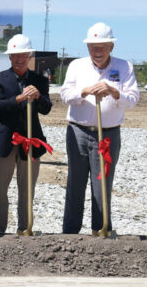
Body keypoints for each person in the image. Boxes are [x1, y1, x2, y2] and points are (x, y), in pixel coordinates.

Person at [59, 22, 140, 234]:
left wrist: (113, 91)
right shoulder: (77, 66)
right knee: (75, 183)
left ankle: (101, 231)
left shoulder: (124, 67)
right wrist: (83, 92)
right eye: (93, 46)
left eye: (102, 46)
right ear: (87, 48)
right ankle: (70, 232)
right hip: (78, 131)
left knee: (102, 184)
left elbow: (132, 100)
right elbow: (65, 95)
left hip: (108, 135)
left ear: (111, 46)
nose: (97, 51)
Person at [0, 34, 52, 234]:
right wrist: (19, 98)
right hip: (5, 141)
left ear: (29, 56)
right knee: (0, 189)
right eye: (15, 56)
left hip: (31, 141)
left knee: (27, 190)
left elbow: (46, 109)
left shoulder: (39, 80)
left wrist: (38, 96)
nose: (19, 59)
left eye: (23, 55)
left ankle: (25, 229)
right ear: (9, 57)